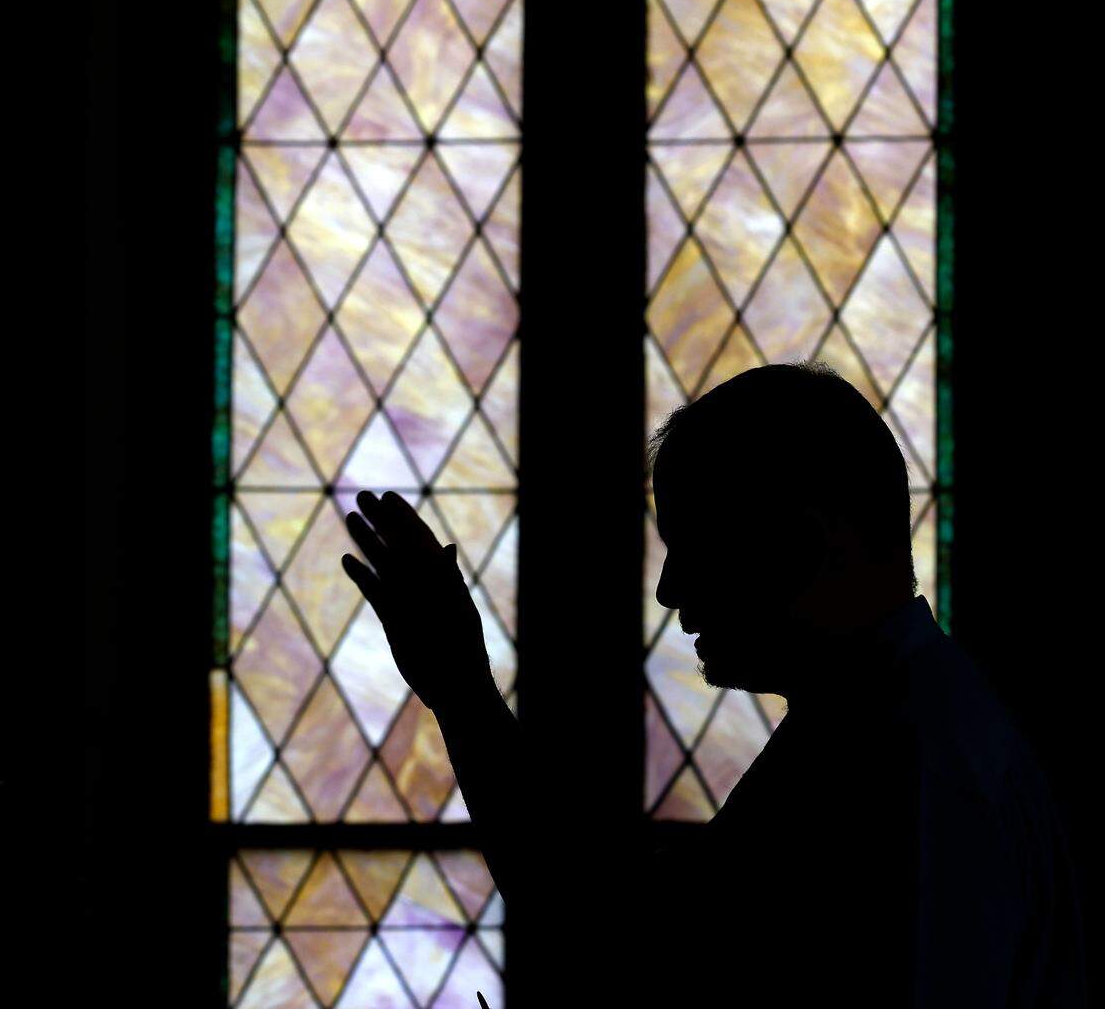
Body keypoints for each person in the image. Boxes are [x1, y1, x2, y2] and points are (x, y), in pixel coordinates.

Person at [342, 361, 1086, 1005]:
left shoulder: (905, 757)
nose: (668, 590)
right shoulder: (890, 724)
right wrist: (464, 693)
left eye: (694, 546)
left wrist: (466, 696)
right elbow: (651, 941)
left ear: (804, 541)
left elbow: (634, 953)